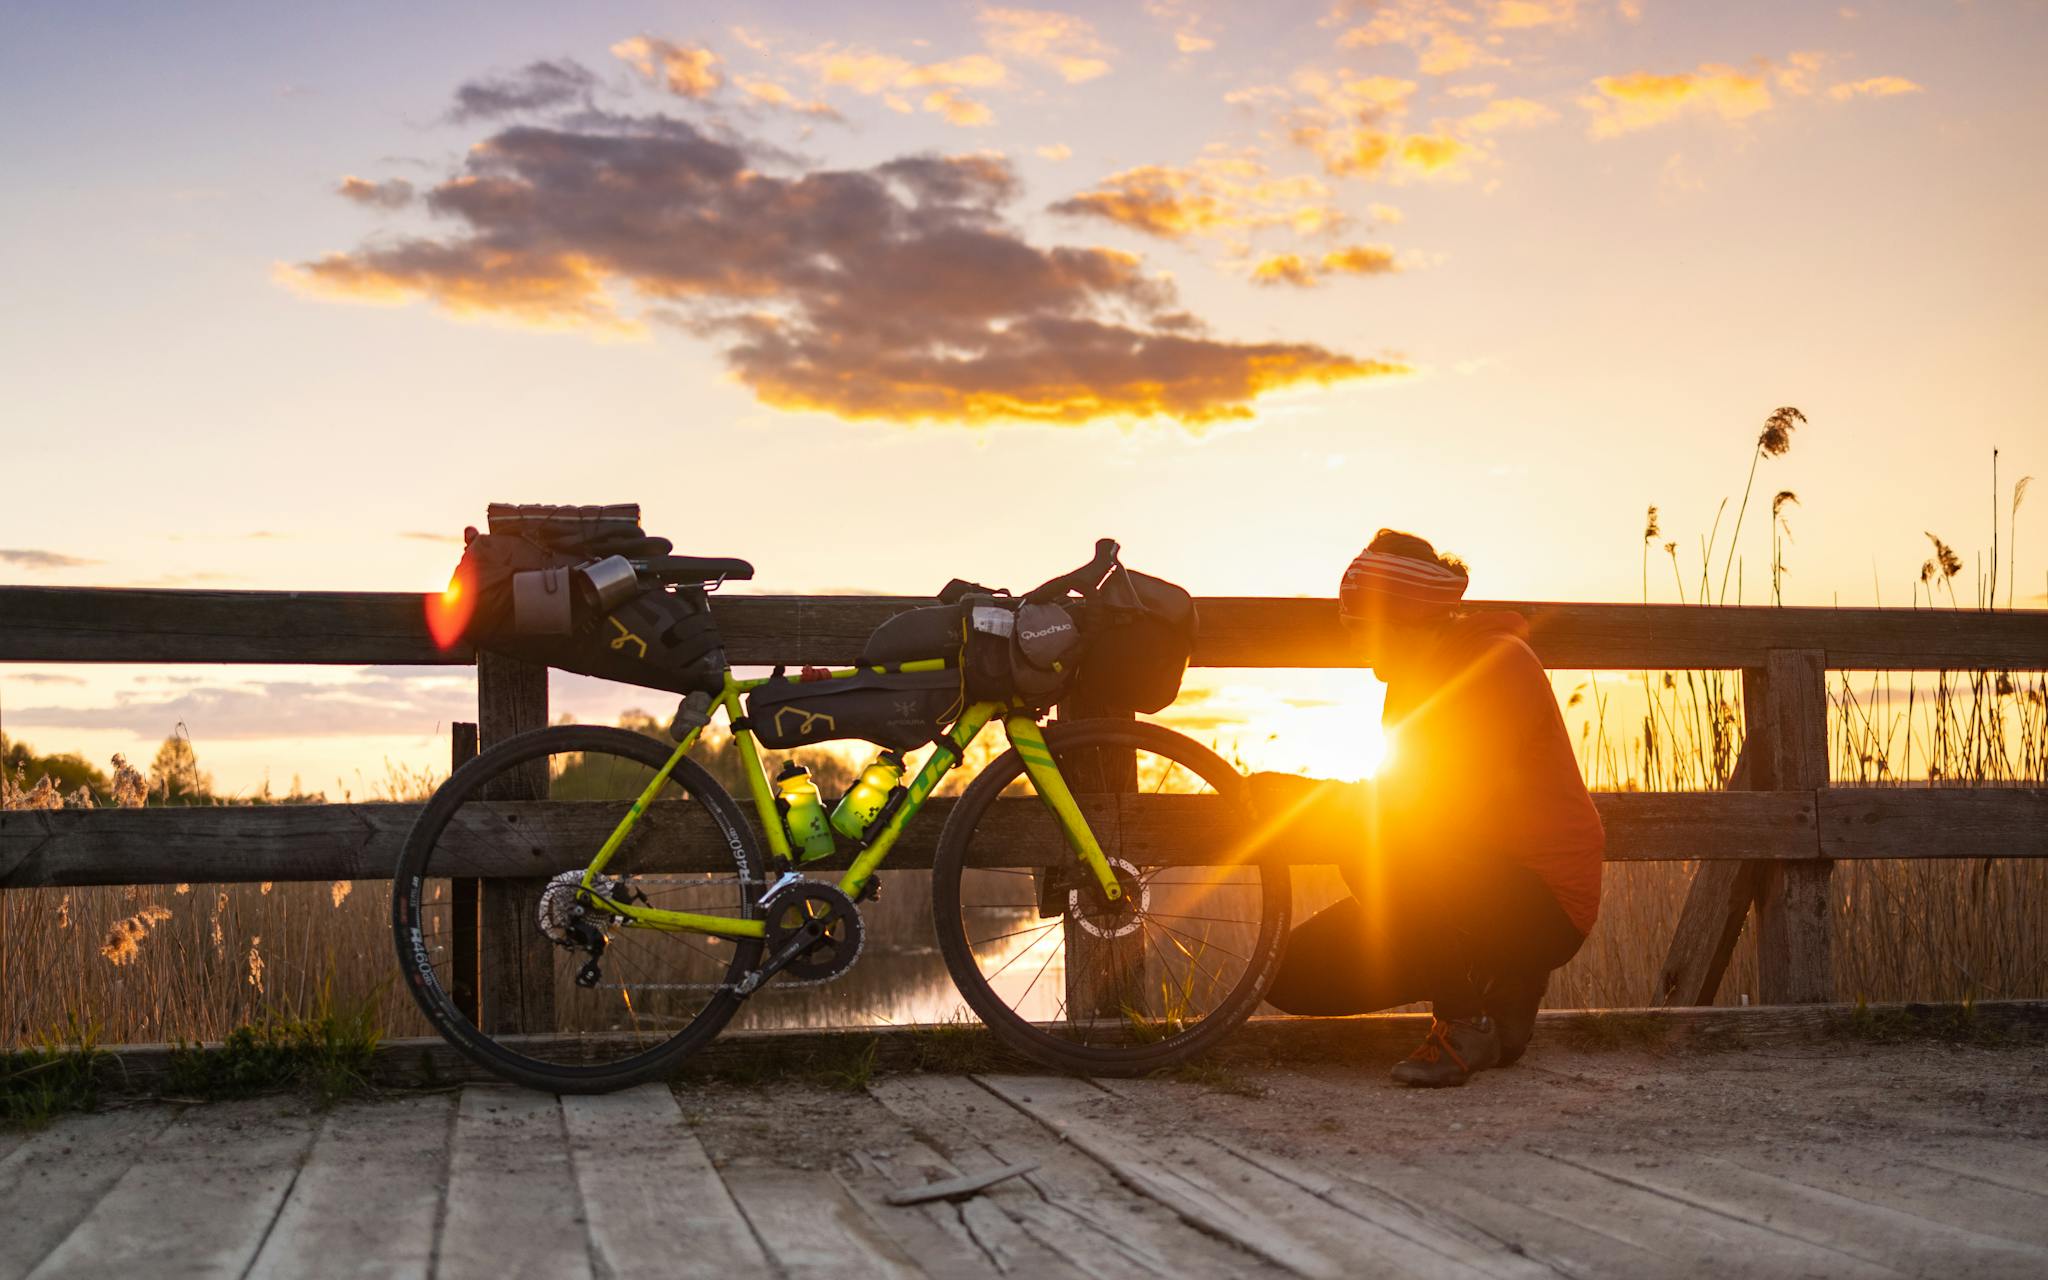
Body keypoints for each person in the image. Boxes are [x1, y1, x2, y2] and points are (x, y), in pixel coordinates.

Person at [1250, 530, 1604, 1087]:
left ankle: (1464, 1022)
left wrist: (1315, 799)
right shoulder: (1409, 680)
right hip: (1465, 882)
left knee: (1365, 840)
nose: (1355, 643)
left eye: (1360, 628)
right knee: (1284, 973)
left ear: (1404, 618)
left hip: (1542, 901)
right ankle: (1499, 989)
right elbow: (1402, 791)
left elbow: (1438, 809)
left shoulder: (1497, 665)